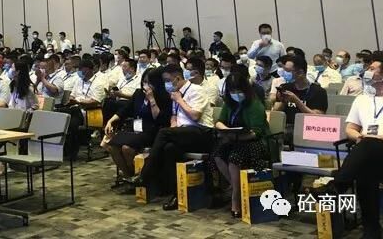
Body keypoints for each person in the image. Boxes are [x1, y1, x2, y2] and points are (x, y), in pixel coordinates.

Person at [312, 52, 383, 239]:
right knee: (366, 168)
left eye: (372, 69)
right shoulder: (362, 99)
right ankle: (372, 230)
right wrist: (360, 137)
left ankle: (336, 187)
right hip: (368, 151)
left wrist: (375, 137)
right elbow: (350, 129)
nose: (367, 71)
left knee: (368, 150)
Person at [131, 64, 215, 210]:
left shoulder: (196, 90)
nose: (166, 84)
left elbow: (195, 116)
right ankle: (176, 195)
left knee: (163, 133)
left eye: (167, 80)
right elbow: (174, 117)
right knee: (169, 148)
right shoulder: (175, 93)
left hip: (202, 132)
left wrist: (180, 100)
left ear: (177, 78)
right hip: (183, 133)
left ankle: (145, 174)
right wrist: (173, 126)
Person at [104, 67, 172, 191]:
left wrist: (152, 99)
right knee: (111, 146)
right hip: (135, 127)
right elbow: (125, 110)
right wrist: (111, 120)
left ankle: (138, 177)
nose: (146, 86)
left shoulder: (164, 96)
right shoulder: (138, 93)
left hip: (151, 130)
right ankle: (128, 176)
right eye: (144, 82)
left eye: (149, 83)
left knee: (126, 148)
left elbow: (160, 118)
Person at [213, 71, 270, 217]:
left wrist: (238, 137)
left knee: (234, 158)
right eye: (232, 91)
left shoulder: (255, 105)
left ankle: (235, 197)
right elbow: (219, 121)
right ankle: (237, 187)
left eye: (238, 91)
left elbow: (257, 132)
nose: (236, 94)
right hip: (234, 139)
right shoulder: (229, 103)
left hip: (255, 142)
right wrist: (225, 129)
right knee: (218, 155)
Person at [273, 55, 328, 140]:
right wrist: (283, 101)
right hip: (285, 129)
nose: (284, 73)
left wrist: (297, 101)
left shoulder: (318, 91)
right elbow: (276, 113)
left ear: (300, 73)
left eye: (288, 71)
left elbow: (318, 118)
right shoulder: (285, 87)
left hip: (308, 130)